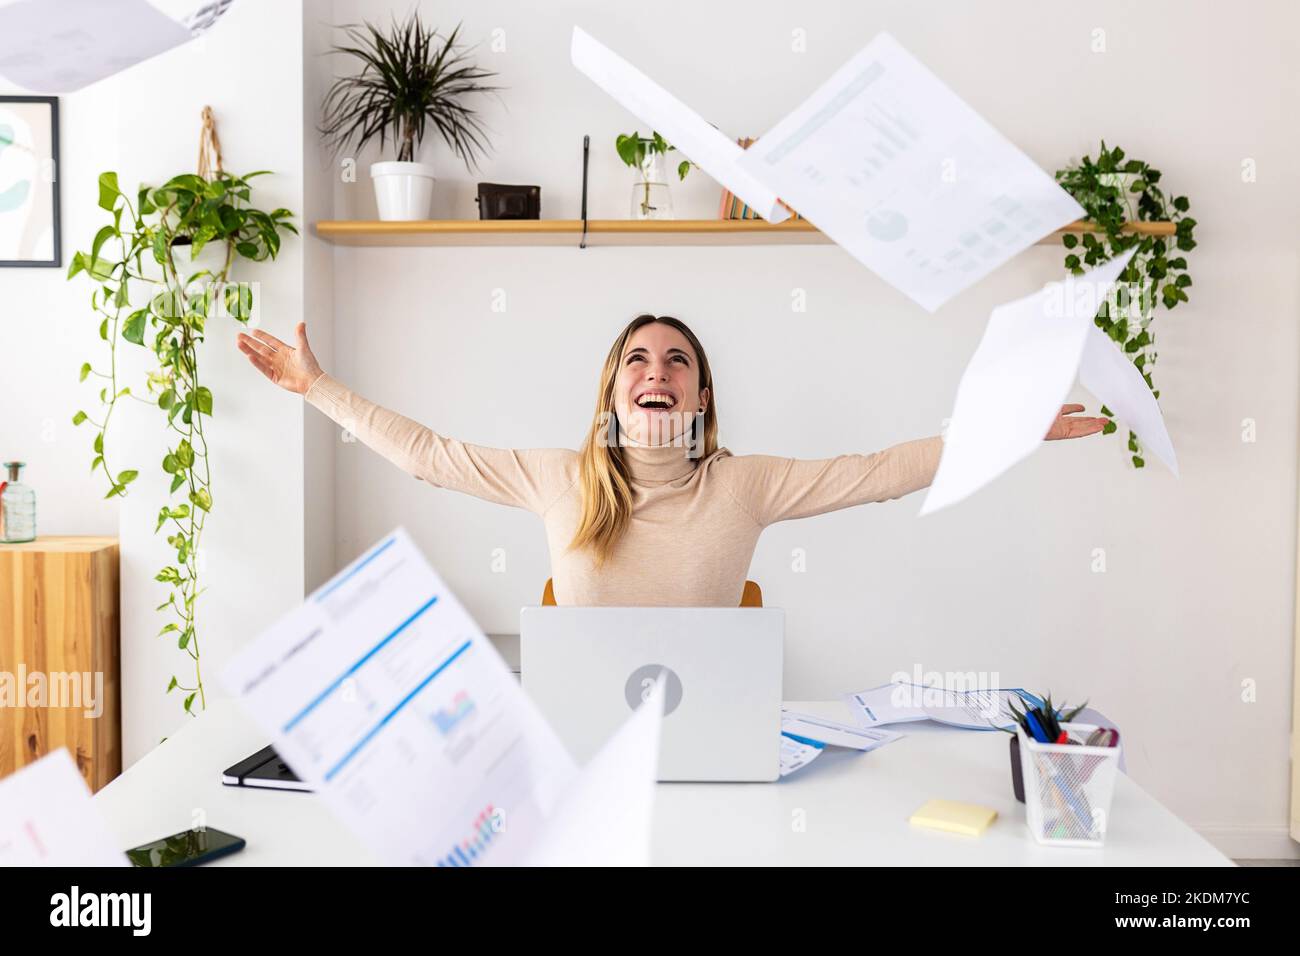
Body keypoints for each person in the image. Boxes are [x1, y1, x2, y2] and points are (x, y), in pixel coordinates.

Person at [236, 313, 1107, 605]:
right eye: (638, 363)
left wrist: (1010, 428)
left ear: (698, 401)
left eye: (677, 364)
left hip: (709, 741)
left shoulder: (745, 485)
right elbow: (428, 454)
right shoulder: (559, 478)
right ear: (614, 393)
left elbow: (880, 471)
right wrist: (316, 388)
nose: (657, 373)